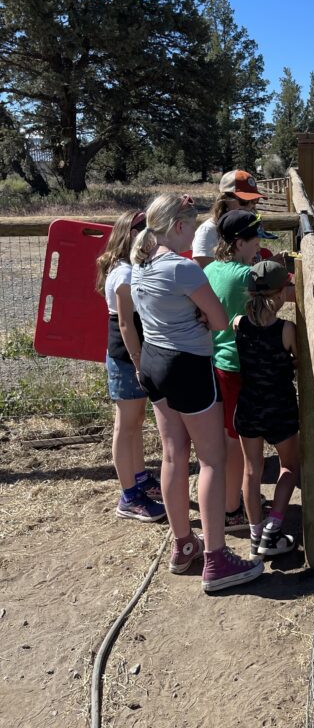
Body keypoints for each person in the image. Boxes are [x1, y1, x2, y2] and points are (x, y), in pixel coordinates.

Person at [130, 193, 263, 592]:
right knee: (212, 460)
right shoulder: (183, 270)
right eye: (190, 224)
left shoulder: (139, 265)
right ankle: (217, 559)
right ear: (177, 226)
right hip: (187, 366)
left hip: (153, 362)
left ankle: (184, 543)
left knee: (172, 454)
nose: (193, 232)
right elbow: (221, 321)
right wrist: (200, 316)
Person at [204, 210, 274, 531]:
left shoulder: (214, 269)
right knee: (237, 444)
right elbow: (265, 313)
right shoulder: (245, 277)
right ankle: (233, 510)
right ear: (240, 242)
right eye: (255, 238)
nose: (259, 243)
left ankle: (229, 499)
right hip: (237, 366)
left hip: (217, 362)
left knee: (225, 439)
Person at [95, 210, 165, 523]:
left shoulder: (130, 268)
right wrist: (139, 363)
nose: (152, 238)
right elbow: (125, 324)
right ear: (132, 236)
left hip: (131, 356)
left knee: (135, 421)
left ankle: (140, 478)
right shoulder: (123, 274)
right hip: (126, 357)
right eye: (146, 232)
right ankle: (129, 496)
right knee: (126, 426)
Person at [233, 260, 302, 560]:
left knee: (252, 470)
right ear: (278, 294)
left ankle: (255, 534)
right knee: (289, 467)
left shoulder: (239, 324)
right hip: (280, 407)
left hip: (248, 406)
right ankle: (273, 529)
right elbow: (298, 361)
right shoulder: (287, 329)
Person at [192, 170, 263, 269]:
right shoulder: (208, 231)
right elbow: (202, 274)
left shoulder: (247, 228)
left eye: (254, 200)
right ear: (225, 199)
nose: (250, 206)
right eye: (245, 201)